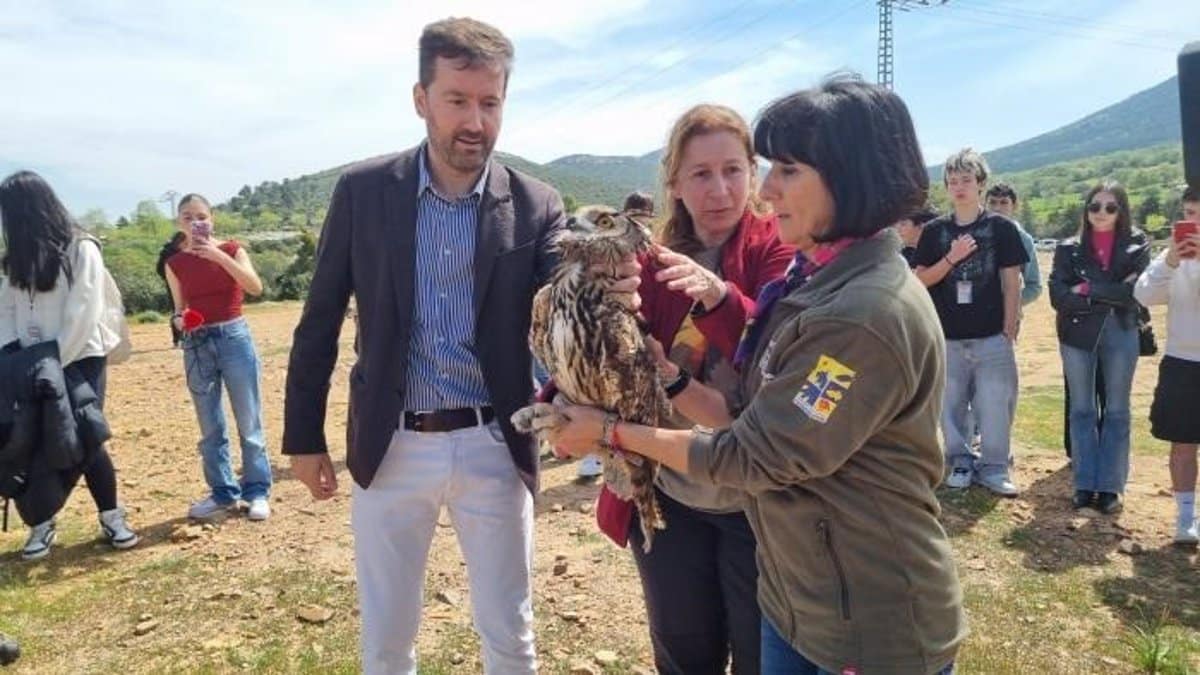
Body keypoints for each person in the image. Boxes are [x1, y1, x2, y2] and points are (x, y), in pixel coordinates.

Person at [546, 76, 964, 675]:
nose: (763, 189)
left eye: (784, 169)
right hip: (800, 597)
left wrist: (611, 432)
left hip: (864, 624)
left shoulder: (862, 316)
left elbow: (751, 454)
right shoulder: (814, 280)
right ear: (675, 185)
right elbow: (747, 413)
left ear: (850, 176)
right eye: (766, 168)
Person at [280, 18, 637, 674]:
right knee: (387, 640)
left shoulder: (535, 203)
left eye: (490, 103)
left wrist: (609, 279)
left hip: (494, 444)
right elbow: (319, 317)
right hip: (391, 444)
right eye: (458, 100)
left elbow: (563, 304)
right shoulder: (364, 192)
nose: (475, 120)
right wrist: (304, 435)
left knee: (510, 633)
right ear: (421, 99)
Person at [614, 103, 794, 674]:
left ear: (752, 172)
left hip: (754, 499)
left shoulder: (777, 248)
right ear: (675, 184)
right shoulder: (650, 259)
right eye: (701, 174)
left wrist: (720, 297)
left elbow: (781, 339)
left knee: (758, 651)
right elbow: (611, 345)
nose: (720, 189)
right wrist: (556, 409)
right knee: (682, 647)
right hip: (670, 491)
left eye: (733, 169)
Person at [0, 170, 138, 560]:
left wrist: (52, 361)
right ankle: (41, 525)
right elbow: (6, 312)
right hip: (31, 365)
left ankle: (111, 516)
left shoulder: (82, 249)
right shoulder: (16, 261)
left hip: (80, 358)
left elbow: (85, 311)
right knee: (33, 440)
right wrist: (18, 358)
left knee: (85, 436)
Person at [914, 148, 1028, 496]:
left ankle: (994, 467)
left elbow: (1012, 281)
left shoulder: (1002, 228)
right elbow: (921, 279)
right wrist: (952, 257)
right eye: (952, 181)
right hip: (947, 335)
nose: (959, 187)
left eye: (966, 180)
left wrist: (1011, 324)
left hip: (992, 334)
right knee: (949, 404)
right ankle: (959, 461)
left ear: (980, 184)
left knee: (996, 402)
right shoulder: (934, 231)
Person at [163, 193, 273, 521]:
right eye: (187, 216)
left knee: (248, 420)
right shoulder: (174, 262)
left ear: (212, 218)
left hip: (234, 336)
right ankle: (223, 493)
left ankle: (257, 491)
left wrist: (217, 256)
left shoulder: (232, 249)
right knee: (210, 425)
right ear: (178, 222)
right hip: (197, 343)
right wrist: (180, 321)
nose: (195, 221)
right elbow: (177, 310)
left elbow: (255, 287)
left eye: (201, 215)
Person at [1049, 181, 1148, 514]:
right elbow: (1058, 297)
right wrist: (1111, 291)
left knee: (1117, 411)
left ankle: (1110, 487)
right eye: (1095, 206)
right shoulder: (1067, 248)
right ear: (1086, 209)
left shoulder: (1138, 243)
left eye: (1110, 207)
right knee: (1081, 410)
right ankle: (1084, 484)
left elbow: (1132, 295)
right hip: (1076, 335)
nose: (1101, 213)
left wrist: (1087, 288)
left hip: (1121, 333)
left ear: (1121, 210)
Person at [576, 189, 660, 480]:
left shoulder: (658, 251)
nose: (640, 227)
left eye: (644, 220)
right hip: (611, 338)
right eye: (634, 219)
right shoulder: (608, 253)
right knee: (604, 398)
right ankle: (597, 456)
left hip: (647, 340)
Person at [1135, 186, 1200, 541]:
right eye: (1190, 214)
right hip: (1183, 360)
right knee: (1183, 443)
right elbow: (1144, 294)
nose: (1196, 222)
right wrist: (1173, 260)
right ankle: (1185, 518)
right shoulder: (1171, 258)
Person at [985, 182, 1042, 305]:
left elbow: (1034, 286)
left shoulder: (1024, 240)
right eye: (992, 202)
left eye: (1004, 202)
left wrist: (1009, 303)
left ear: (1014, 206)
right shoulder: (974, 236)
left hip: (1007, 317)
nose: (997, 208)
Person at [156, 231, 186, 347]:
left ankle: (179, 339)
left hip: (180, 283)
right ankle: (179, 339)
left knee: (178, 310)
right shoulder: (169, 252)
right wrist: (170, 278)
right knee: (178, 311)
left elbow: (158, 269)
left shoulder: (166, 251)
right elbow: (160, 269)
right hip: (176, 283)